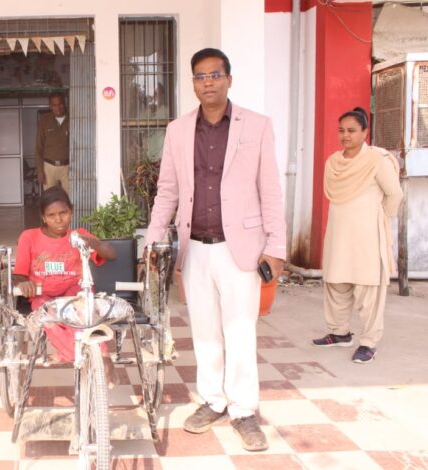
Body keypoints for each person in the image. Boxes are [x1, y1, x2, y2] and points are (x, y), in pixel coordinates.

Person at [145, 48, 286, 451]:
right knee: (205, 332)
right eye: (200, 76)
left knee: (239, 331)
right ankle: (213, 400)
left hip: (240, 248)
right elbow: (167, 190)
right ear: (193, 83)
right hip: (195, 248)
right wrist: (153, 240)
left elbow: (270, 190)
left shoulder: (256, 126)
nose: (208, 82)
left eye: (215, 74)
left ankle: (243, 410)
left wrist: (276, 246)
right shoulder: (178, 130)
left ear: (229, 79)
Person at [312, 107, 403, 364]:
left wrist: (381, 217)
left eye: (352, 130)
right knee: (336, 282)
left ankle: (369, 343)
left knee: (368, 288)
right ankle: (340, 333)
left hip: (367, 236)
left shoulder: (377, 160)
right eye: (341, 130)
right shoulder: (333, 162)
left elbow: (394, 194)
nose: (345, 135)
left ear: (365, 132)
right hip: (339, 234)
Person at [13, 186, 116, 363]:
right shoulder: (29, 237)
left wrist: (93, 243)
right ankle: (88, 357)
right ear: (43, 217)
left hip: (74, 292)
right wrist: (23, 283)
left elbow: (111, 254)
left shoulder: (79, 236)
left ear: (71, 211)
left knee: (83, 313)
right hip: (42, 295)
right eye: (51, 215)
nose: (59, 219)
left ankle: (97, 356)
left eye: (63, 213)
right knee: (48, 318)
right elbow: (19, 275)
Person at [35, 93, 70, 193]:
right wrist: (40, 171)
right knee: (49, 197)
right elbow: (38, 147)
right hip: (49, 167)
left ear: (64, 103)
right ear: (50, 106)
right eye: (54, 105)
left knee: (71, 196)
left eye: (60, 104)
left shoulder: (72, 119)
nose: (58, 108)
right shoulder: (44, 121)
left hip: (68, 166)